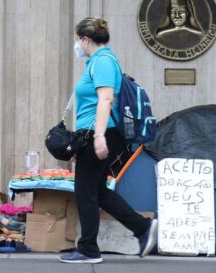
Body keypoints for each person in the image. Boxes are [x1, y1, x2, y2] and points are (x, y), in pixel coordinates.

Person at [60, 17, 158, 264]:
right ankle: (143, 228)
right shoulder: (99, 61)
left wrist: (99, 136)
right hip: (98, 133)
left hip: (102, 132)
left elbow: (106, 100)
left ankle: (88, 250)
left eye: (78, 39)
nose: (77, 44)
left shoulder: (103, 61)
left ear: (85, 39)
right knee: (98, 190)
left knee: (85, 190)